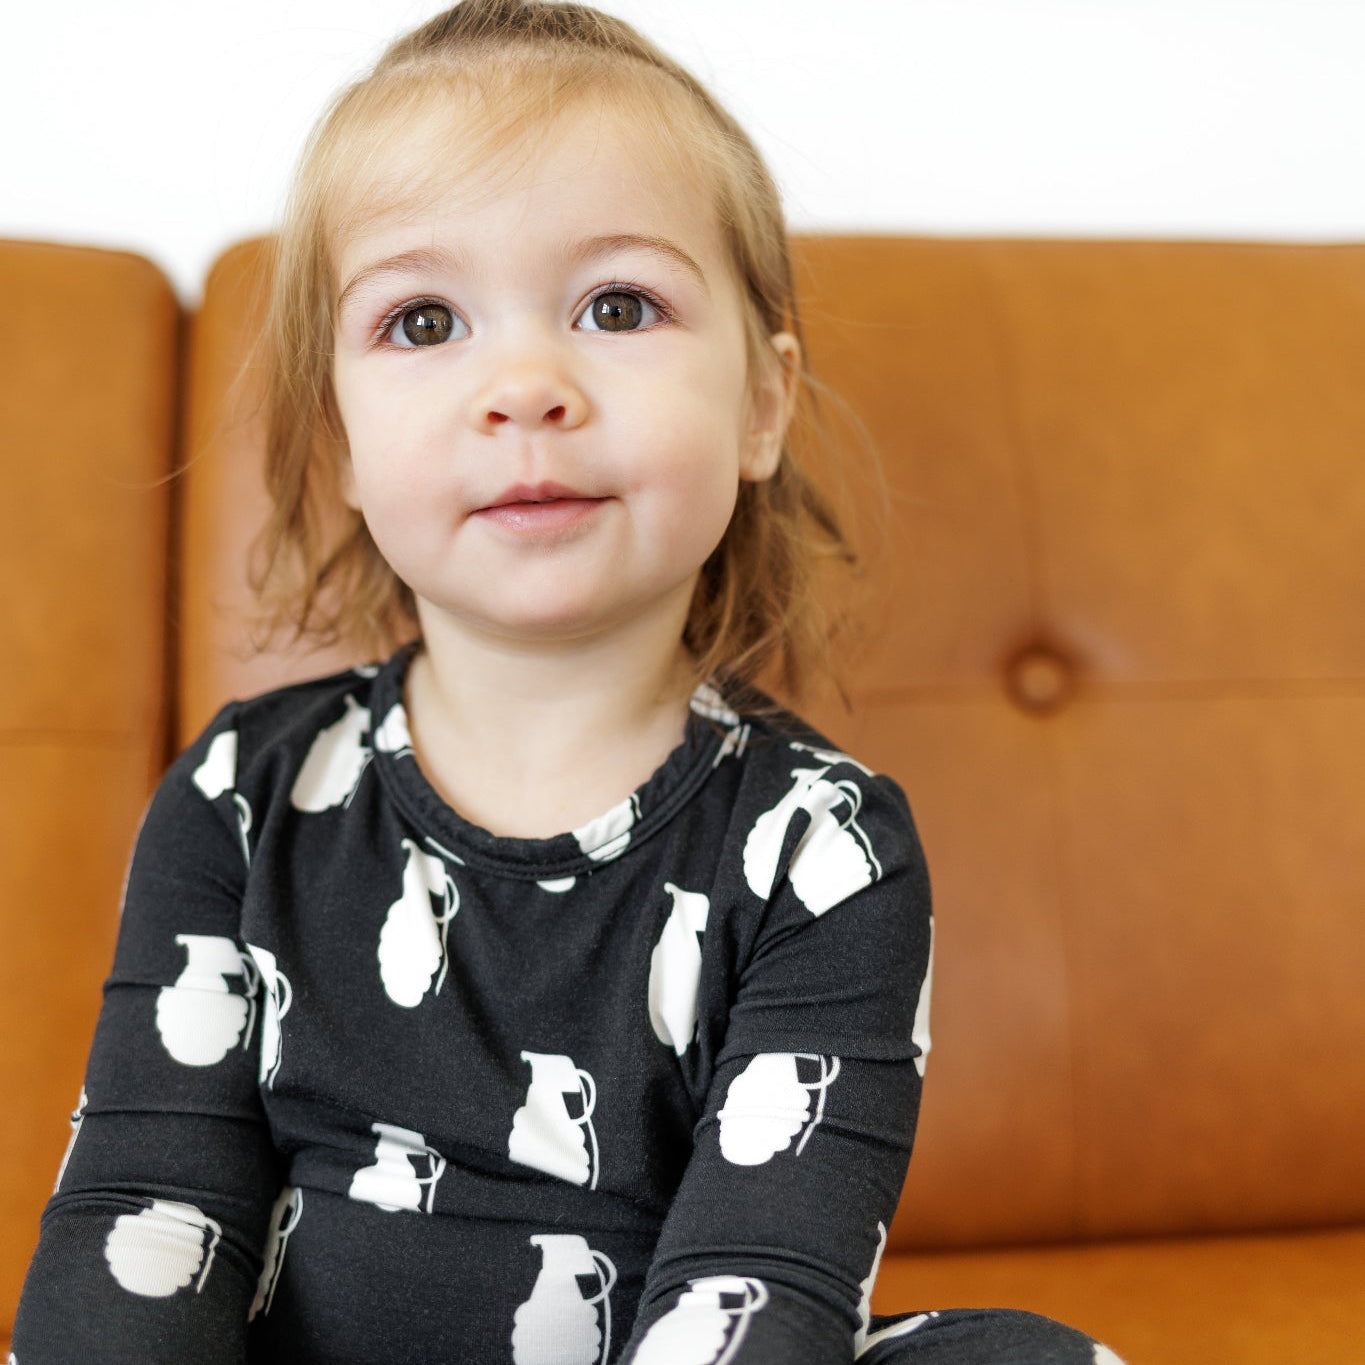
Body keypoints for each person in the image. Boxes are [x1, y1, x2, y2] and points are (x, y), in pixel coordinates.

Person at [12, 3, 1124, 1362]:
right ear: (343, 443)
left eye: (617, 306)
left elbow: (760, 1283)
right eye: (424, 320)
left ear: (761, 405)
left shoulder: (824, 850)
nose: (525, 383)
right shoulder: (244, 794)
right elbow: (146, 1205)